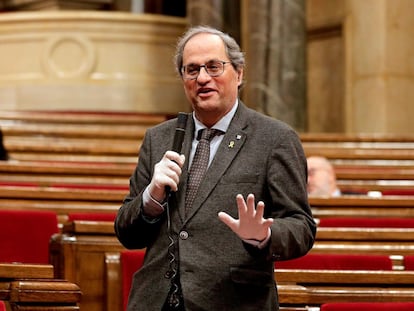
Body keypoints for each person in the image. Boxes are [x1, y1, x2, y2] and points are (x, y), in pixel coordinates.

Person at [115, 25, 316, 311]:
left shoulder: (275, 138)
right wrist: (151, 199)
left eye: (214, 66)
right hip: (156, 301)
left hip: (233, 301)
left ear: (239, 73)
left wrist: (265, 234)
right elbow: (128, 234)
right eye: (192, 69)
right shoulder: (159, 138)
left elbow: (301, 226)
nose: (203, 78)